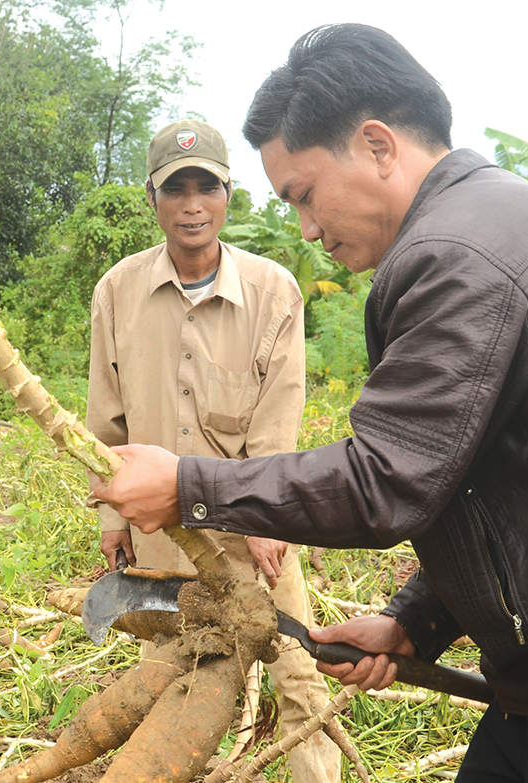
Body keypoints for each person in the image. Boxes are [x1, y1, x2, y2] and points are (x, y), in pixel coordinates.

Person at [93, 23, 528, 780]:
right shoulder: (485, 226)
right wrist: (417, 618)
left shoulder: (458, 256)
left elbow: (387, 480)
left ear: (380, 146)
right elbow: (484, 474)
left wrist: (188, 487)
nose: (308, 228)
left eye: (306, 195)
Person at [86, 119, 340, 781]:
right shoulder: (117, 292)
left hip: (252, 532)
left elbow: (277, 420)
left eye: (206, 186)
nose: (191, 203)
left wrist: (266, 520)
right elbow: (106, 422)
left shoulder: (272, 291)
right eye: (176, 189)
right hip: (163, 536)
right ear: (153, 199)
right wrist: (113, 520)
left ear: (228, 195)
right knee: (166, 678)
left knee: (300, 679)